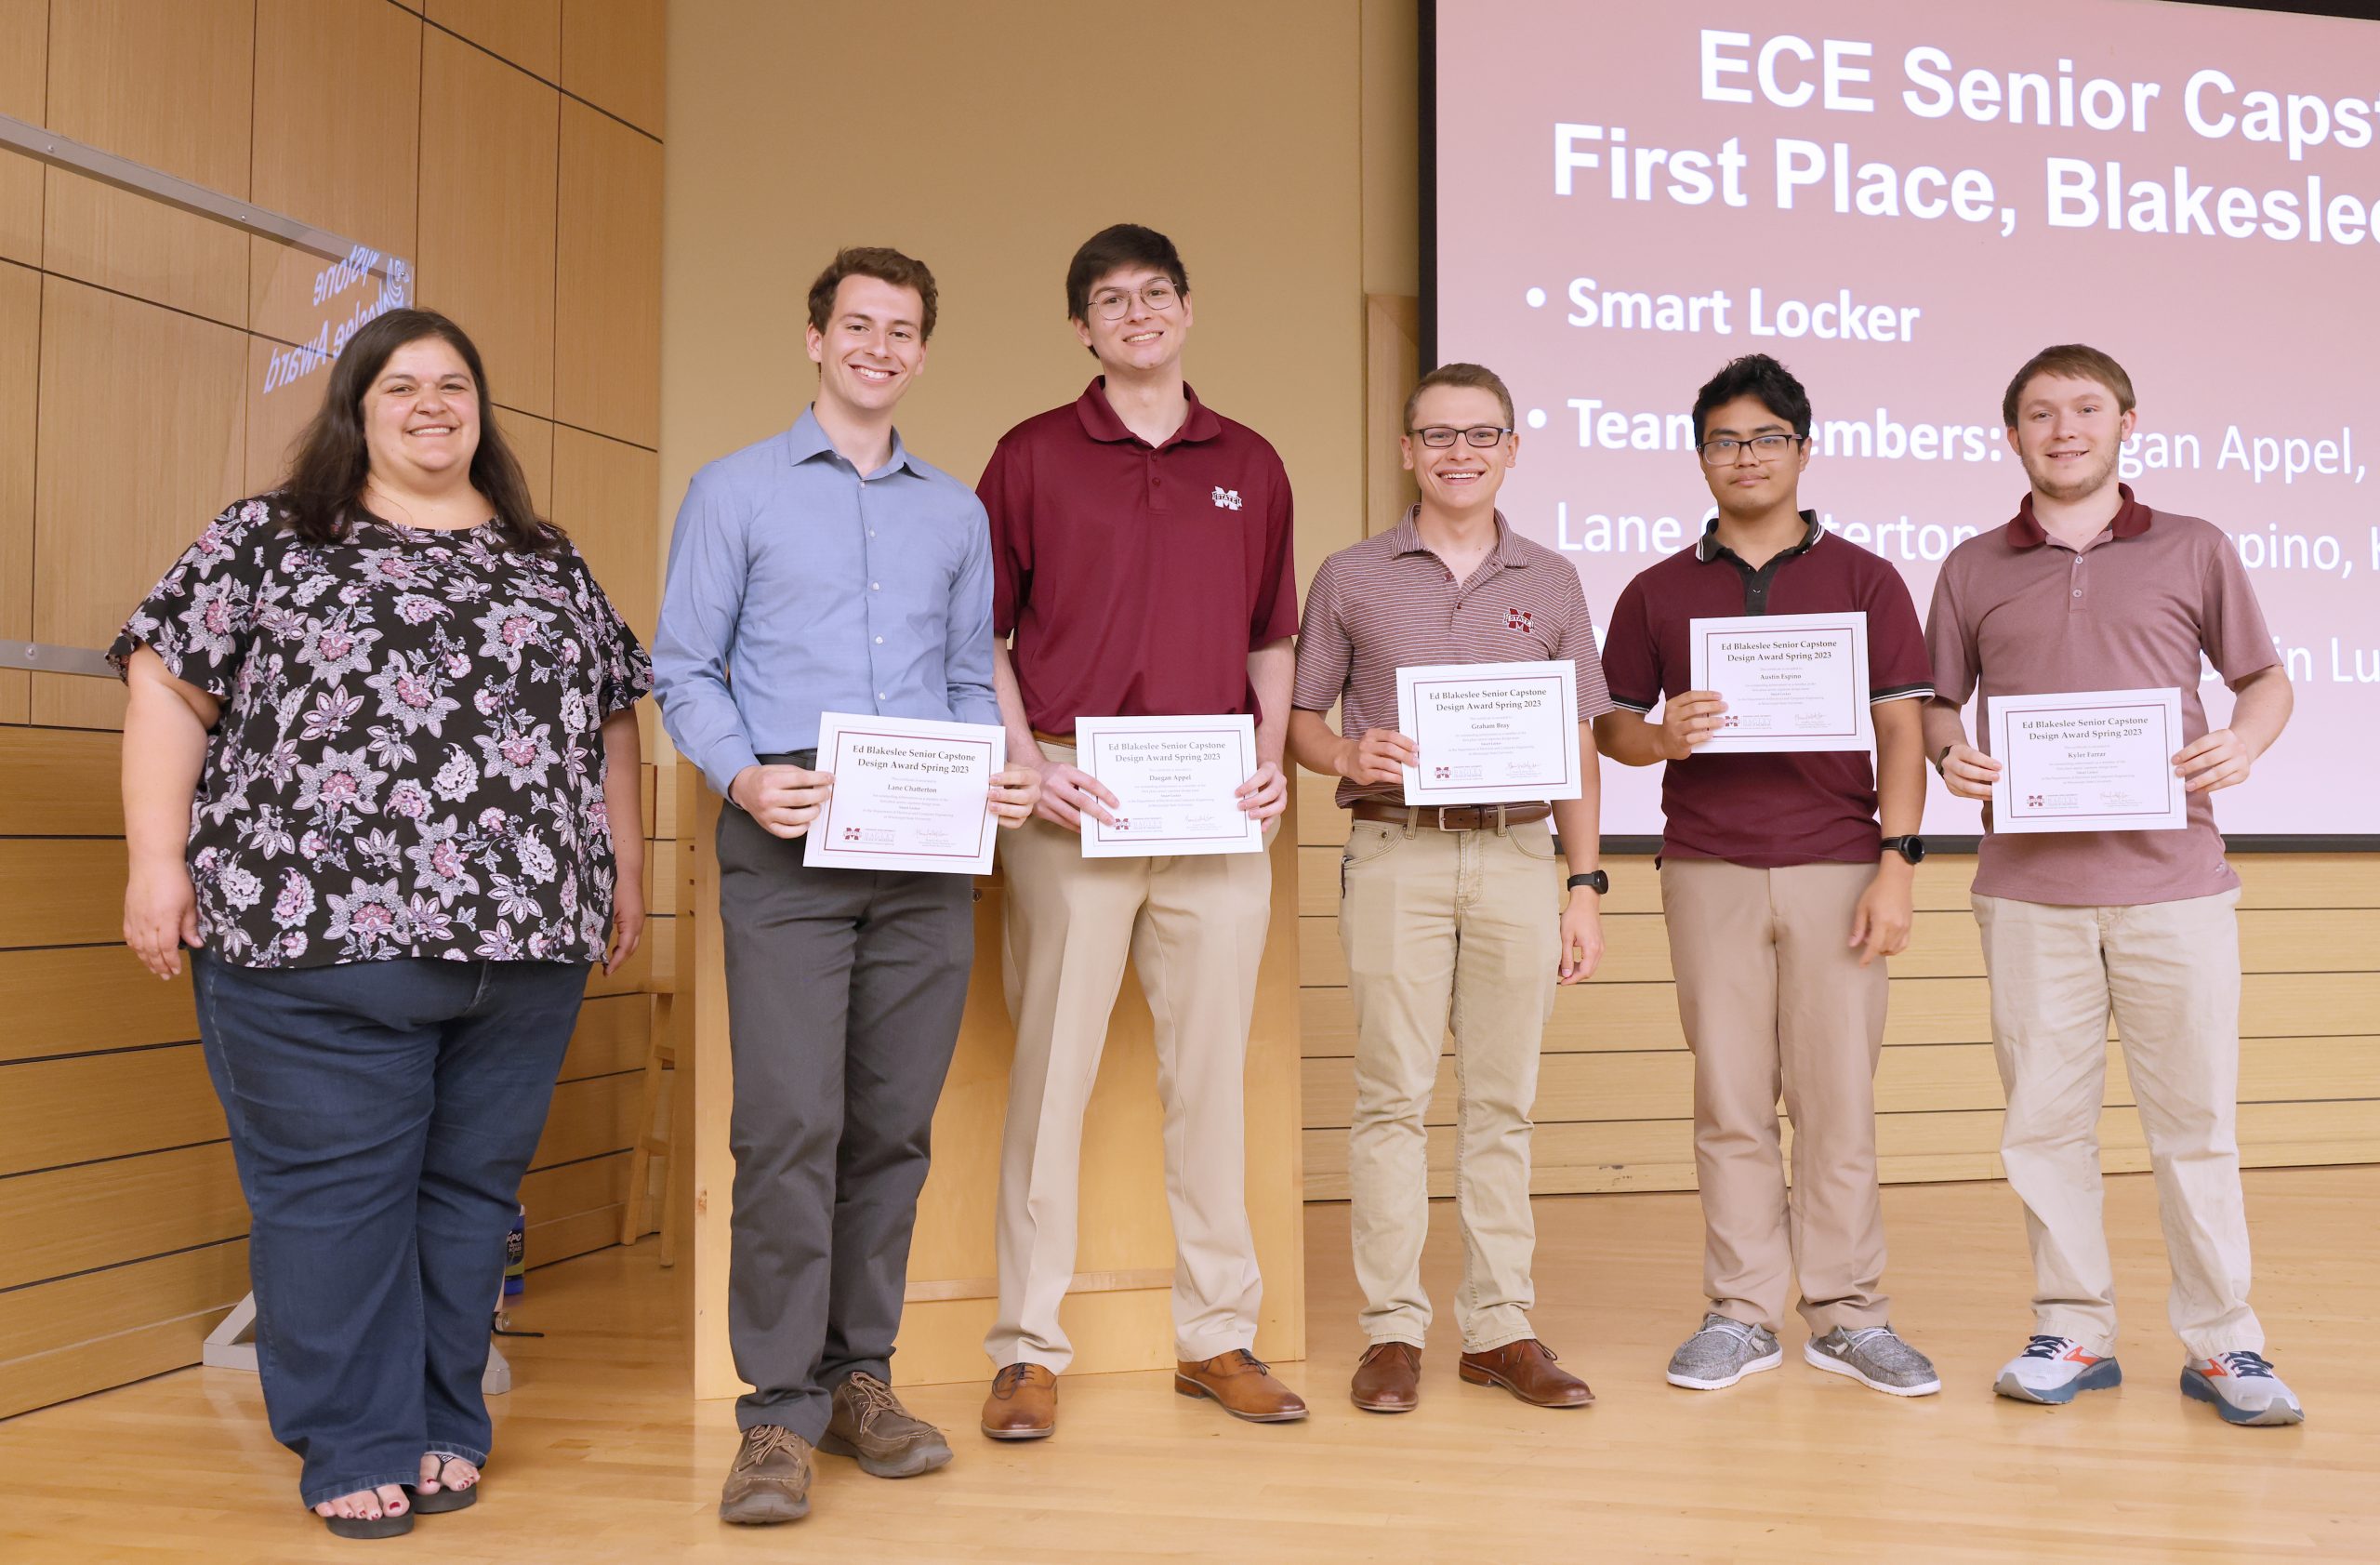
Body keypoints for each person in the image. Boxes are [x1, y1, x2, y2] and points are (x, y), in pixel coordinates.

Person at [112, 308, 650, 1538]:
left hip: (524, 950)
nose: (430, 403)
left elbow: (614, 718)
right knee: (336, 1200)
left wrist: (621, 866)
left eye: (453, 383)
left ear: (481, 406)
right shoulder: (270, 538)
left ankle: (442, 1416)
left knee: (468, 1197)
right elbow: (168, 682)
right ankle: (353, 1438)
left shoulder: (546, 557)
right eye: (399, 384)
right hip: (314, 944)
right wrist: (156, 862)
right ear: (355, 406)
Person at [653, 246, 1041, 1525]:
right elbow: (683, 667)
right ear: (814, 338)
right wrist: (741, 775)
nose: (879, 344)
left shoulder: (954, 512)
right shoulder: (734, 490)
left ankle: (857, 1376)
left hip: (925, 847)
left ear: (922, 353)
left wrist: (994, 772)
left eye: (903, 328)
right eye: (857, 323)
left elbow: (963, 680)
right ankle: (774, 1411)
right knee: (784, 1124)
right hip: (788, 833)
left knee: (890, 1126)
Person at [1923, 344, 2301, 1426]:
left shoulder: (2194, 546)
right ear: (2013, 436)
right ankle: (2073, 1328)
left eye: (2085, 408)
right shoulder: (1971, 565)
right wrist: (1952, 754)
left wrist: (2245, 743)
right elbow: (1938, 704)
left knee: (2195, 1125)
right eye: (2039, 413)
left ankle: (2225, 1344)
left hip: (2175, 885)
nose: (2064, 428)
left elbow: (2264, 680)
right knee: (2043, 1126)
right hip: (2027, 892)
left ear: (2126, 421)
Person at [976, 223, 1301, 1438]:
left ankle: (1218, 1338)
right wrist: (1024, 763)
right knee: (1050, 1079)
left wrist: (1271, 759)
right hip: (1074, 791)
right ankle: (1025, 1346)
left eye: (1154, 293)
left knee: (1209, 1079)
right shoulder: (1030, 455)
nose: (1136, 313)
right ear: (1083, 327)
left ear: (1187, 308)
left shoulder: (1251, 462)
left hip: (1216, 798)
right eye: (1110, 300)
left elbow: (1275, 633)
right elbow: (983, 637)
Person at [1593, 354, 1941, 1399]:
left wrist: (1899, 864)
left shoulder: (1866, 577)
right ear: (1699, 456)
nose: (1743, 457)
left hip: (1840, 864)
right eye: (1722, 440)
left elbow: (1901, 730)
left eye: (1764, 438)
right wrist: (1658, 738)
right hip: (1706, 868)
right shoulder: (1655, 589)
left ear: (1801, 447)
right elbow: (1609, 724)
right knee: (1731, 1099)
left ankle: (1846, 1313)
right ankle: (1742, 1310)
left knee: (1836, 1100)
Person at [1288, 363, 1610, 1414]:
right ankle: (1391, 1330)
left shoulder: (1553, 579)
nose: (1459, 454)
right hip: (1397, 853)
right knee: (1389, 1095)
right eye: (1438, 436)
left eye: (1481, 436)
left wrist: (1585, 883)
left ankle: (1499, 1326)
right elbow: (1299, 719)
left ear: (1512, 448)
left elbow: (1576, 742)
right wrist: (1344, 757)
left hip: (1519, 858)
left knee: (1501, 1102)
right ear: (1406, 450)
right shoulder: (1349, 574)